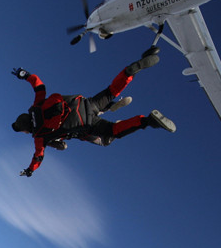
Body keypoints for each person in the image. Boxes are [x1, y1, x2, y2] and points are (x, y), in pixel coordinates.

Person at [11, 46, 176, 177]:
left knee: (111, 134)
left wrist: (30, 170)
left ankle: (146, 120)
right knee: (111, 91)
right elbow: (39, 86)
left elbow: (38, 157)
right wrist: (25, 75)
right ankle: (129, 72)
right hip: (87, 104)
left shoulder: (39, 137)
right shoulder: (37, 105)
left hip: (86, 124)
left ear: (26, 129)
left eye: (24, 131)